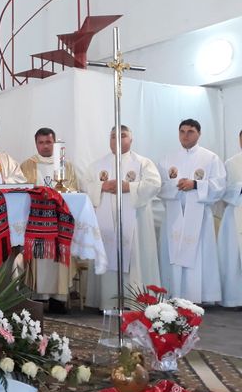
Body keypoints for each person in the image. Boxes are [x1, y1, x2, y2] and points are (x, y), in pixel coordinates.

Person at [83, 125, 162, 310]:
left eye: (122, 135)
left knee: (134, 258)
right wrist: (101, 187)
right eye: (113, 136)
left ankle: (135, 302)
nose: (117, 139)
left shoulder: (143, 163)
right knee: (109, 253)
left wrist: (129, 187)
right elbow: (85, 186)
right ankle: (107, 302)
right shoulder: (97, 165)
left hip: (135, 224)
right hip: (106, 223)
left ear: (131, 140)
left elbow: (154, 184)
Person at [157, 119, 225, 304]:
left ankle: (198, 296)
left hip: (199, 215)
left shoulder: (210, 158)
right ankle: (173, 293)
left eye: (190, 132)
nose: (185, 135)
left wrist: (195, 184)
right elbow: (159, 186)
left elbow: (220, 186)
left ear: (199, 134)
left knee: (198, 254)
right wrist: (176, 185)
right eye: (182, 131)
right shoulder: (167, 159)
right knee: (174, 254)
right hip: (175, 214)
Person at [18, 128, 78, 311]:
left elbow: (74, 191)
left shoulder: (66, 166)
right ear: (36, 144)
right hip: (36, 222)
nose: (45, 146)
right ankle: (38, 297)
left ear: (54, 143)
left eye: (48, 142)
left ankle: (58, 299)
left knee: (58, 256)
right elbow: (21, 193)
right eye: (41, 142)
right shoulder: (27, 165)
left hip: (59, 222)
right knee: (39, 258)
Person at [217, 129, 242, 307]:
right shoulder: (230, 163)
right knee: (233, 257)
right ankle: (235, 298)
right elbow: (222, 190)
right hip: (235, 213)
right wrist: (240, 187)